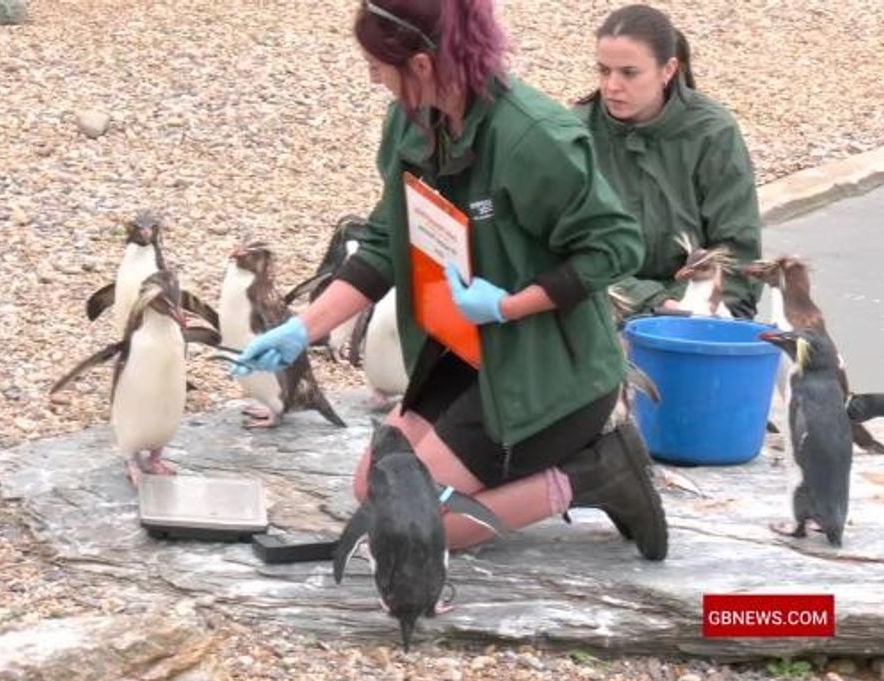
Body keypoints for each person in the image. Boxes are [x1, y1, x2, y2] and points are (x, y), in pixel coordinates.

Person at [231, 0, 668, 560]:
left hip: (546, 373)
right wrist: (302, 329)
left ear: (420, 65)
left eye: (378, 66)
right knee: (373, 492)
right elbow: (386, 241)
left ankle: (598, 472)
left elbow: (617, 246)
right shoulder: (414, 120)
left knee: (404, 526)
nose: (373, 77)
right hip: (465, 353)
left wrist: (508, 306)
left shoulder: (532, 139)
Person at [575, 4, 763, 319]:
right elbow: (567, 252)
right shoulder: (575, 136)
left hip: (699, 308)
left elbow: (737, 253)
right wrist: (650, 302)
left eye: (629, 73)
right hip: (606, 305)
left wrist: (691, 307)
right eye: (604, 70)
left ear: (668, 69)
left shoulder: (713, 133)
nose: (611, 86)